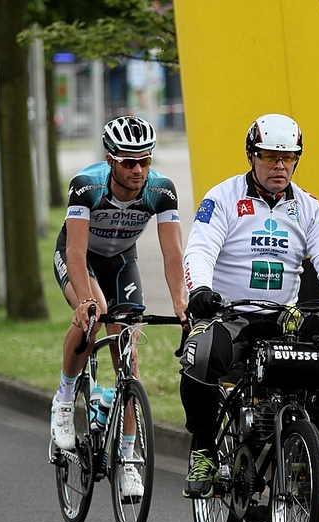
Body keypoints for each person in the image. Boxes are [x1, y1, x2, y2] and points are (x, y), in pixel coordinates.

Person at [179, 113, 319, 500]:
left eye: (288, 158)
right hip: (230, 315)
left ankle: (308, 443)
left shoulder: (309, 207)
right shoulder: (222, 198)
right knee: (202, 354)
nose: (279, 166)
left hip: (285, 319)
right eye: (270, 157)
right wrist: (200, 290)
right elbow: (200, 248)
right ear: (251, 156)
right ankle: (203, 449)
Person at [51, 115, 187, 498]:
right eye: (129, 161)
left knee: (128, 359)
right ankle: (63, 400)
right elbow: (75, 254)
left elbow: (173, 254)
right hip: (80, 258)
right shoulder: (86, 187)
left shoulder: (162, 190)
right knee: (93, 316)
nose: (139, 169)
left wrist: (181, 302)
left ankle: (128, 461)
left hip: (121, 262)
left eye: (144, 160)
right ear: (110, 160)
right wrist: (86, 301)